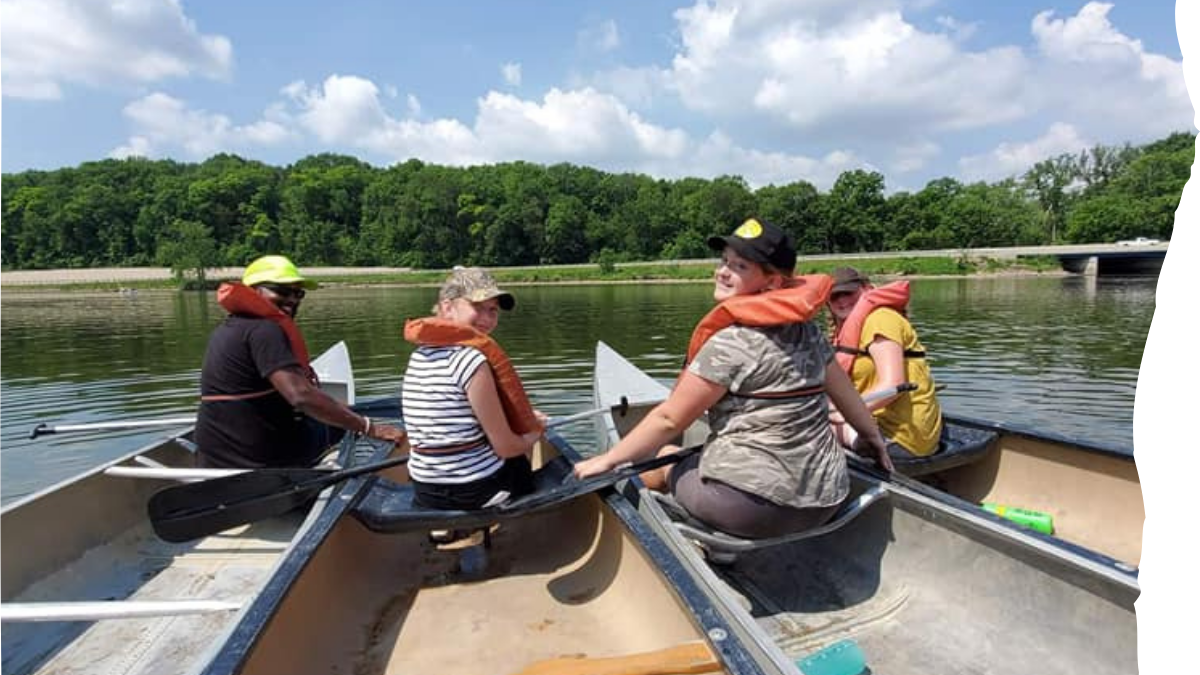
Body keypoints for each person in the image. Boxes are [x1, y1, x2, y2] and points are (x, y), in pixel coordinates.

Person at [574, 218, 892, 540]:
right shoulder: (810, 333)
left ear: (772, 283)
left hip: (750, 511)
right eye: (724, 261)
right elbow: (847, 395)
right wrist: (874, 439)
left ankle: (656, 533)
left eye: (740, 266)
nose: (723, 271)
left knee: (662, 458)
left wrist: (608, 459)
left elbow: (670, 419)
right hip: (828, 499)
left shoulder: (730, 343)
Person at [195, 255, 404, 468]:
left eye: (298, 293)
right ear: (254, 291)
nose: (293, 300)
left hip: (215, 457)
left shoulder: (229, 328)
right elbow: (300, 395)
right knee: (339, 425)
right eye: (282, 291)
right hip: (258, 462)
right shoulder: (265, 330)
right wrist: (368, 426)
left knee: (332, 413)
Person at [401, 266, 548, 513]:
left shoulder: (420, 355)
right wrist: (536, 430)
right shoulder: (471, 360)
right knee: (520, 450)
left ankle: (447, 529)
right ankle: (502, 515)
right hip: (471, 491)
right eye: (477, 308)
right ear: (447, 307)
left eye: (492, 310)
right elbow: (506, 447)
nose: (487, 319)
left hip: (426, 490)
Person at [826, 267, 944, 458]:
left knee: (801, 424)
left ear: (866, 289)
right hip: (880, 422)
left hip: (902, 438)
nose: (841, 300)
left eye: (848, 292)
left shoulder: (880, 320)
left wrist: (845, 413)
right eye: (834, 296)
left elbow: (893, 384)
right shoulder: (847, 328)